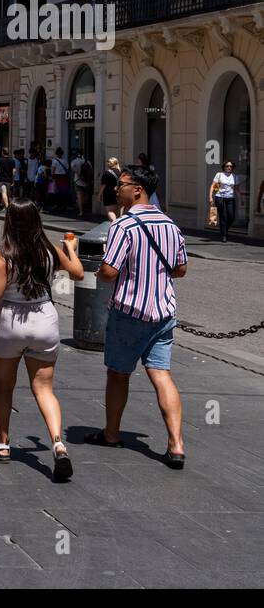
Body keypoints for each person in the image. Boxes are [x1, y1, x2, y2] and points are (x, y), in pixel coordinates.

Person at [0, 199, 85, 481]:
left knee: (4, 385)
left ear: (10, 222)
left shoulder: (5, 254)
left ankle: (2, 444)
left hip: (10, 322)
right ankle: (58, 444)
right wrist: (71, 250)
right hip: (44, 319)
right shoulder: (50, 250)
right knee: (44, 389)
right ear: (37, 220)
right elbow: (78, 273)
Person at [90, 165, 188, 469]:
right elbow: (181, 269)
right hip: (163, 312)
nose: (115, 189)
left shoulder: (123, 226)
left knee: (119, 373)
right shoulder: (170, 225)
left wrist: (100, 270)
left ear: (137, 190)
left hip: (129, 311)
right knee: (161, 373)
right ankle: (176, 444)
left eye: (121, 184)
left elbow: (109, 272)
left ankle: (111, 433)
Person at [209, 160, 240, 242]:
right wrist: (210, 197)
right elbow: (213, 186)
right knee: (223, 216)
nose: (229, 167)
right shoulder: (219, 175)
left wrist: (241, 198)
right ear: (224, 167)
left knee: (231, 216)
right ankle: (224, 235)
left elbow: (236, 188)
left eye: (231, 166)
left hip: (230, 198)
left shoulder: (235, 176)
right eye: (227, 166)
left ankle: (224, 230)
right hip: (220, 197)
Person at [99, 157, 121, 221]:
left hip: (108, 194)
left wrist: (99, 194)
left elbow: (103, 185)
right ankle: (117, 225)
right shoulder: (120, 172)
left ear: (111, 164)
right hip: (118, 193)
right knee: (117, 212)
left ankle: (114, 224)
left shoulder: (107, 173)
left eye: (109, 162)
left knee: (110, 211)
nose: (107, 163)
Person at [74, 151, 94, 217]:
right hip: (86, 182)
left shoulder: (74, 162)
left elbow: (73, 170)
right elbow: (91, 171)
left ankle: (81, 211)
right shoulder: (87, 162)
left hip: (78, 181)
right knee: (86, 196)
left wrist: (79, 174)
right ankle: (84, 206)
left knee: (79, 196)